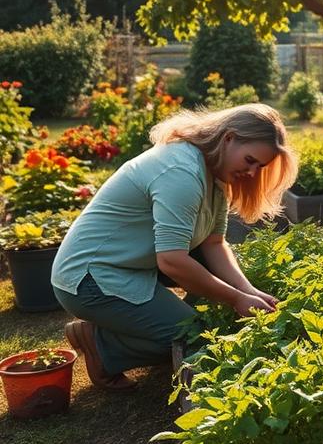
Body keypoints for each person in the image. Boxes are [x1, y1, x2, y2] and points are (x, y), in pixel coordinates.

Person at [53, 103, 298, 390]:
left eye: (261, 167)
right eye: (250, 160)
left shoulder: (214, 172)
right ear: (229, 138)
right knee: (194, 334)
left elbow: (214, 243)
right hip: (88, 279)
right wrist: (235, 300)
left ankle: (156, 322)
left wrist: (249, 291)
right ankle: (103, 346)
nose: (253, 173)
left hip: (130, 262)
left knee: (203, 295)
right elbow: (172, 261)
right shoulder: (181, 171)